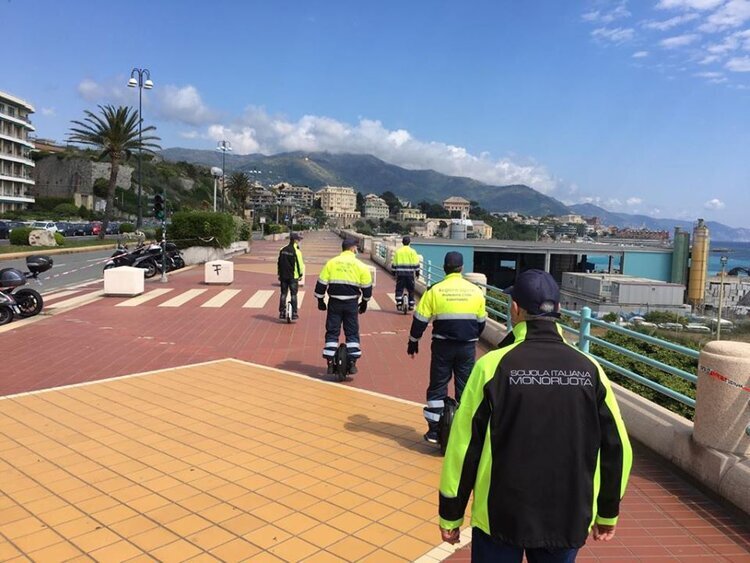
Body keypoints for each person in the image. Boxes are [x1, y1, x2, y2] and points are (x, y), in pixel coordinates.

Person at [438, 269, 632, 563]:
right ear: (559, 310)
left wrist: (451, 514)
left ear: (515, 309)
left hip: (500, 515)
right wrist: (608, 510)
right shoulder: (590, 369)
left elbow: (463, 447)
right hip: (567, 512)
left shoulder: (492, 367)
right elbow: (617, 447)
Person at [407, 251, 486, 443]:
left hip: (443, 345)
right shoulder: (475, 291)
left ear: (444, 268)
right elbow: (481, 323)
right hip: (467, 347)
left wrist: (413, 340)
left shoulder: (435, 290)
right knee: (465, 387)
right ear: (461, 268)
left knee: (438, 385)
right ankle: (464, 430)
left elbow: (420, 320)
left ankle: (434, 430)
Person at [315, 238, 373, 375]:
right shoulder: (361, 265)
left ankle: (330, 363)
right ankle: (352, 363)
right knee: (352, 332)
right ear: (353, 249)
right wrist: (364, 302)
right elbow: (367, 288)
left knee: (332, 331)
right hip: (351, 304)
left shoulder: (331, 263)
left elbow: (321, 284)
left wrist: (320, 301)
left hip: (334, 303)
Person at [277, 232, 305, 320]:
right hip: (293, 276)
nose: (299, 241)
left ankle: (281, 312)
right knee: (293, 294)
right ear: (295, 240)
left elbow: (279, 263)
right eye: (298, 240)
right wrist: (301, 274)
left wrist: (279, 273)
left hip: (283, 276)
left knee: (283, 293)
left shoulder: (282, 249)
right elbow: (300, 265)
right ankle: (294, 313)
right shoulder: (297, 251)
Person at [391, 236, 420, 310]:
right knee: (411, 290)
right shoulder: (413, 251)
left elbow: (394, 264)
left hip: (400, 274)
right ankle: (411, 305)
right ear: (409, 242)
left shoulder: (398, 251)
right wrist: (417, 273)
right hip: (410, 274)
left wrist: (393, 274)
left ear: (402, 242)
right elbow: (416, 264)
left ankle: (399, 304)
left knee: (399, 289)